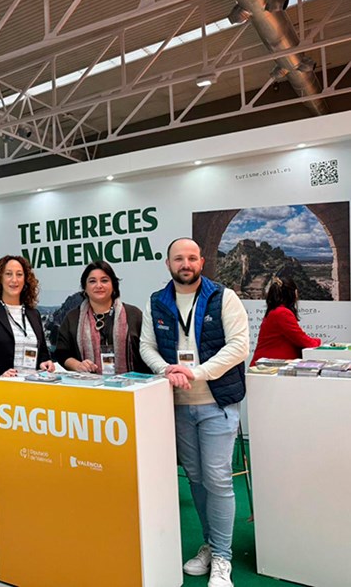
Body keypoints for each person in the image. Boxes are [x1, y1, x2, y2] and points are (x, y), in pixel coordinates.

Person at [140, 238, 248, 587]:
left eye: (191, 258)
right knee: (197, 479)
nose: (185, 264)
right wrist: (167, 371)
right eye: (178, 259)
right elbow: (146, 346)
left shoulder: (223, 297)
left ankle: (223, 557)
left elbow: (239, 346)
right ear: (168, 264)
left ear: (201, 261)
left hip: (217, 403)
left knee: (217, 479)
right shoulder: (156, 302)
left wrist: (195, 372)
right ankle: (210, 544)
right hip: (179, 405)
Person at [0, 255, 55, 566]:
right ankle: (0, 538)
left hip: (30, 403)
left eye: (19, 274)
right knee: (4, 467)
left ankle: (28, 529)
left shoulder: (33, 314)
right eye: (8, 274)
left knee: (30, 466)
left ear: (26, 279)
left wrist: (46, 362)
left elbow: (41, 352)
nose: (14, 279)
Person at [53, 260, 149, 374]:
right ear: (85, 288)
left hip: (132, 383)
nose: (99, 286)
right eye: (92, 281)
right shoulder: (73, 318)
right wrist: (78, 365)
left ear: (113, 285)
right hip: (88, 383)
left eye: (104, 280)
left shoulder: (133, 315)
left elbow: (147, 350)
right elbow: (62, 353)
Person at [250, 276, 320, 365]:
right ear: (294, 293)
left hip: (268, 364)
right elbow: (301, 339)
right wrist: (318, 342)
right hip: (271, 366)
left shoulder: (275, 311)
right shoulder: (282, 313)